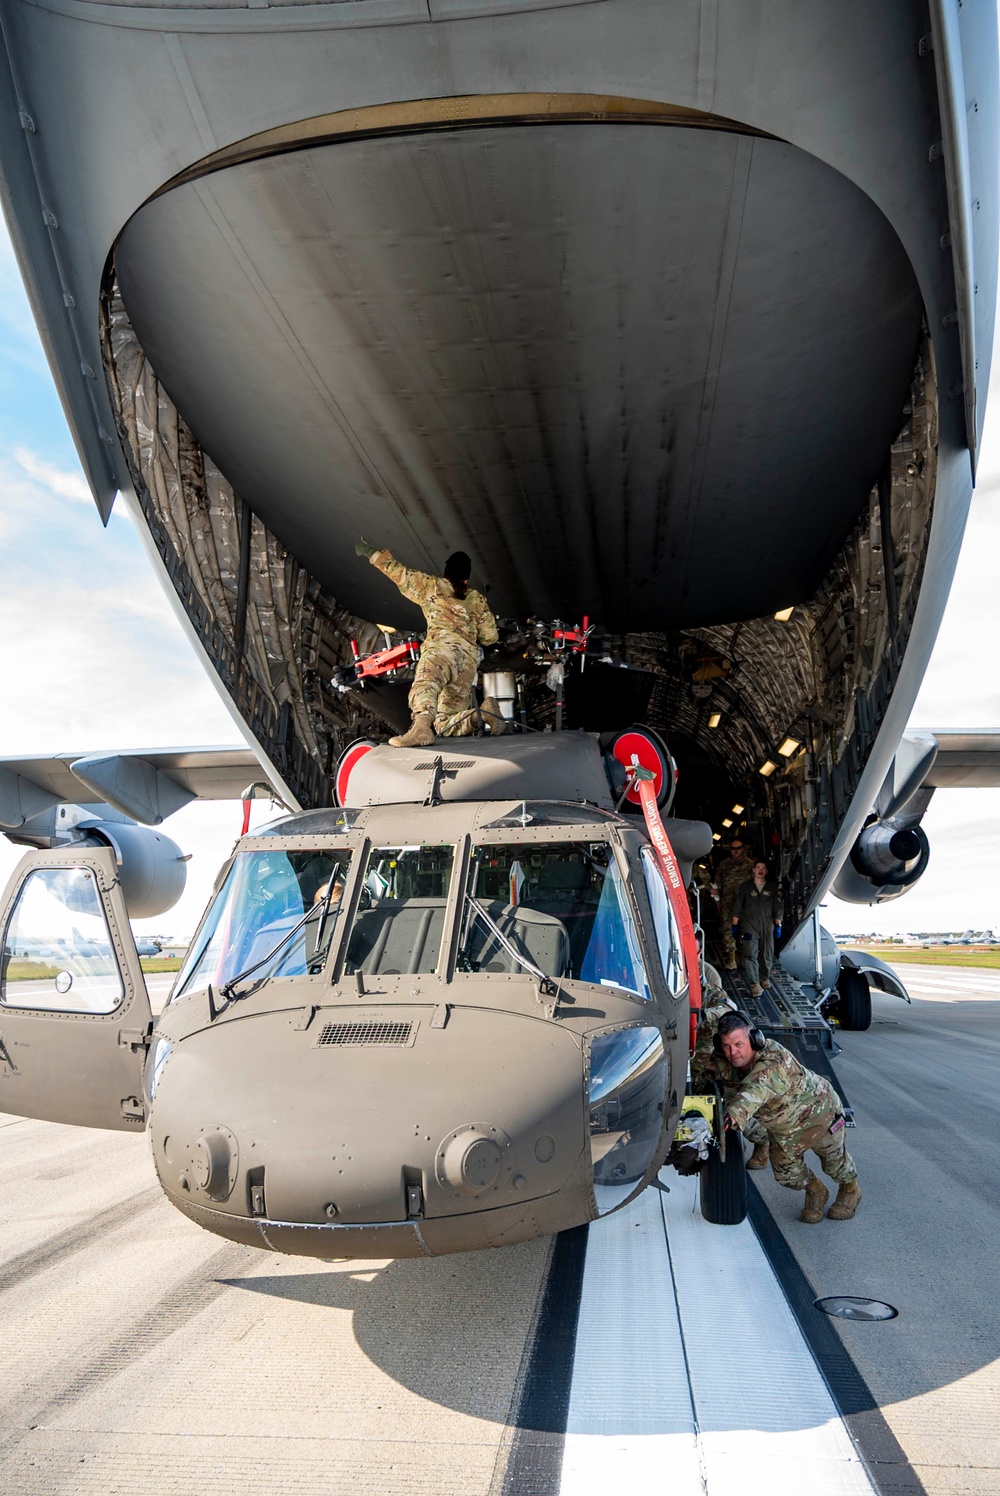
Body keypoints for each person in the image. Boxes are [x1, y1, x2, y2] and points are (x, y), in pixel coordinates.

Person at [714, 1010, 861, 1222]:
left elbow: (755, 1091)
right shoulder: (726, 1061)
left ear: (755, 1040)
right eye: (726, 1046)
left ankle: (850, 1189)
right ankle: (816, 1190)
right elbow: (706, 1076)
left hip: (819, 1116)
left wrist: (730, 1116)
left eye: (738, 1044)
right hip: (784, 1129)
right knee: (787, 1175)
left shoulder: (773, 1059)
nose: (732, 1052)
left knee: (836, 1166)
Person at [356, 539, 501, 747]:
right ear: (467, 579)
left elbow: (400, 574)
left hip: (440, 653)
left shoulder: (433, 586)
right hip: (467, 663)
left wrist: (370, 552)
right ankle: (482, 714)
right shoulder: (477, 599)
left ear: (446, 573)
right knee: (445, 725)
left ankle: (421, 729)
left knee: (425, 685)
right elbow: (490, 637)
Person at [691, 973, 771, 1171]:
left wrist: (699, 1016)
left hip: (712, 1060)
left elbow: (727, 1009)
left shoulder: (709, 991)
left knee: (731, 1106)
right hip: (689, 1065)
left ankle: (763, 1140)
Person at [731, 860, 783, 996]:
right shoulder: (745, 887)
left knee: (767, 953)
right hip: (749, 924)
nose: (760, 870)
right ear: (753, 870)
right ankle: (754, 983)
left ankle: (764, 977)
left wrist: (778, 924)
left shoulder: (772, 888)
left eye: (763, 868)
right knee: (750, 953)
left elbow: (778, 907)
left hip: (767, 924)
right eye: (758, 867)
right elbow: (738, 907)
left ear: (766, 871)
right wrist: (734, 925)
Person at [714, 837, 751, 970]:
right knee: (728, 930)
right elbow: (717, 884)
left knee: (745, 930)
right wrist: (717, 900)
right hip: (729, 903)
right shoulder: (724, 865)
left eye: (738, 848)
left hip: (746, 904)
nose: (735, 851)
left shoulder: (750, 865)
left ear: (743, 849)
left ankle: (743, 957)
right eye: (733, 849)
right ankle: (731, 959)